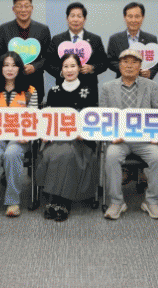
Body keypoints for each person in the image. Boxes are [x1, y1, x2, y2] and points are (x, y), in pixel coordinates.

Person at [101, 49, 158, 220]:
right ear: (119, 65)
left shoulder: (151, 86)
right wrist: (112, 136)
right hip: (119, 140)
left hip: (144, 140)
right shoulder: (107, 87)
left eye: (134, 62)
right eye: (125, 62)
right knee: (111, 156)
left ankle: (151, 201)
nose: (129, 66)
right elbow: (103, 116)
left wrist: (155, 136)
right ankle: (117, 202)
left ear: (140, 65)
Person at [37, 53, 99, 222]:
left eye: (73, 66)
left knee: (66, 153)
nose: (69, 70)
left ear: (79, 68)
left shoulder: (89, 91)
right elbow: (48, 120)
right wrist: (45, 133)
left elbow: (93, 120)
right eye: (66, 66)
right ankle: (58, 200)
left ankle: (61, 201)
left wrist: (83, 133)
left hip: (81, 140)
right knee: (55, 153)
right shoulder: (54, 91)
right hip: (57, 139)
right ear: (61, 70)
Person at [0, 51, 38, 218]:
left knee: (12, 153)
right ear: (0, 68)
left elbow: (33, 119)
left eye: (14, 65)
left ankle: (13, 201)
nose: (10, 69)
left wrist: (27, 134)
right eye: (6, 65)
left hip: (19, 138)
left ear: (20, 68)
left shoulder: (30, 91)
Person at [0, 0, 51, 105]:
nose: (23, 10)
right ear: (13, 9)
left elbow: (48, 57)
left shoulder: (43, 29)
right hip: (8, 84)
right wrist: (13, 66)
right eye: (19, 6)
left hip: (34, 82)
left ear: (32, 8)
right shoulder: (3, 29)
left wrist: (35, 67)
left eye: (26, 6)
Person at [45, 2, 108, 92]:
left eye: (79, 16)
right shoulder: (57, 40)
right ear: (67, 19)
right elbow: (48, 63)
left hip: (88, 86)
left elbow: (104, 63)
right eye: (72, 16)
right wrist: (62, 72)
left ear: (84, 19)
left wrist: (91, 68)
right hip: (63, 87)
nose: (75, 20)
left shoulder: (95, 39)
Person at [106, 2, 158, 79]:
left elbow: (156, 63)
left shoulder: (151, 39)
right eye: (130, 16)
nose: (133, 20)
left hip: (144, 81)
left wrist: (150, 72)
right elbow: (110, 61)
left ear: (143, 18)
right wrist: (126, 68)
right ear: (124, 18)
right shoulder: (115, 39)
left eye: (137, 16)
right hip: (121, 81)